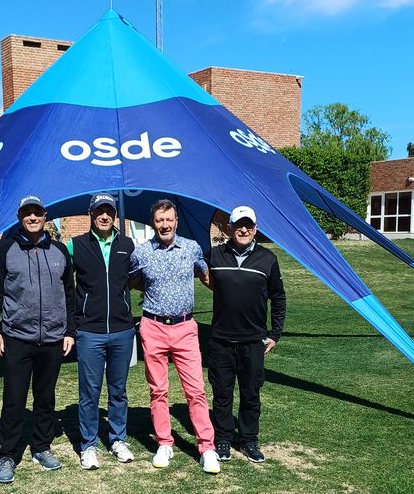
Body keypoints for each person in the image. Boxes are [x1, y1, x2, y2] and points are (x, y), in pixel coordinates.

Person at [0, 195, 76, 484]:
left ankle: (41, 447)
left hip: (51, 338)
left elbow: (70, 295)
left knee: (45, 398)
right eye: (27, 213)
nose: (33, 217)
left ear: (45, 215)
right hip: (17, 338)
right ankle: (8, 455)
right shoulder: (7, 247)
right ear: (19, 216)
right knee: (13, 400)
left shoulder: (60, 250)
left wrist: (70, 331)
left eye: (37, 212)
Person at [129, 199, 220, 474]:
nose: (165, 224)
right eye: (159, 220)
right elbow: (132, 281)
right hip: (153, 326)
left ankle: (207, 448)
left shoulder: (191, 248)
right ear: (153, 222)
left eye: (169, 219)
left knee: (196, 390)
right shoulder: (142, 252)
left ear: (176, 221)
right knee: (158, 391)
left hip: (185, 328)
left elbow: (208, 278)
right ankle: (164, 443)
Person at [206, 206, 286, 463]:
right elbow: (207, 281)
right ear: (229, 227)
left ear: (255, 228)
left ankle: (249, 440)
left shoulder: (267, 259)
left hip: (253, 341)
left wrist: (275, 333)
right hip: (221, 341)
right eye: (238, 225)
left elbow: (278, 297)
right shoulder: (215, 256)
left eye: (248, 225)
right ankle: (223, 439)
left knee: (251, 394)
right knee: (222, 394)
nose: (243, 229)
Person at [68, 193, 136, 470]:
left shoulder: (128, 245)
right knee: (89, 392)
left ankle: (118, 439)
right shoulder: (75, 245)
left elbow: (137, 279)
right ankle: (88, 445)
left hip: (122, 330)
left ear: (115, 215)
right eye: (99, 211)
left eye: (109, 211)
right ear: (91, 214)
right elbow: (60, 282)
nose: (105, 216)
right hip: (89, 331)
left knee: (118, 390)